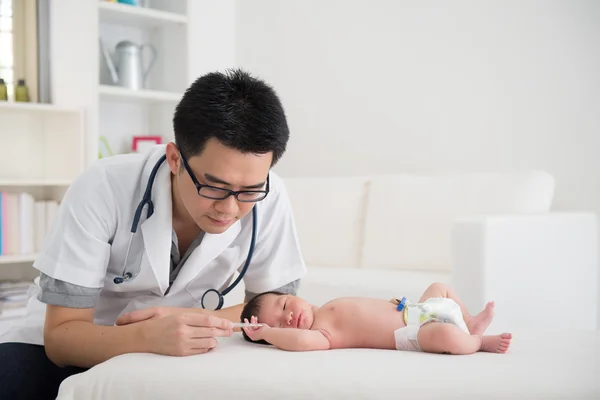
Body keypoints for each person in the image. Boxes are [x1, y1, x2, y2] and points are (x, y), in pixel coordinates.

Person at [0, 69, 306, 400]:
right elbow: (61, 338)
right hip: (76, 346)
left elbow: (275, 313)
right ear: (175, 159)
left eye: (249, 190)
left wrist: (193, 321)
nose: (230, 209)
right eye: (214, 187)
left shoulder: (270, 196)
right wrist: (146, 337)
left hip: (176, 352)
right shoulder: (102, 187)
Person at [240, 282, 512, 354]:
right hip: (413, 334)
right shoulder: (323, 334)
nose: (287, 318)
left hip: (416, 310)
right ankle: (477, 341)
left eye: (285, 304)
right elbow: (299, 341)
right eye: (278, 324)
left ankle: (470, 320)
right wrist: (266, 334)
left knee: (440, 287)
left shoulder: (326, 306)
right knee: (447, 337)